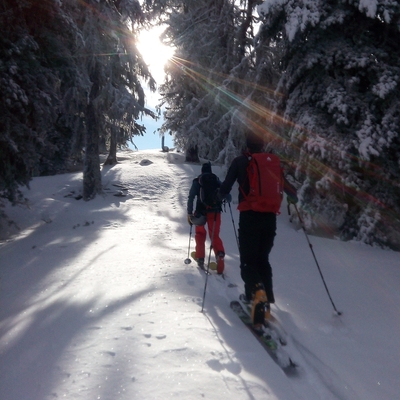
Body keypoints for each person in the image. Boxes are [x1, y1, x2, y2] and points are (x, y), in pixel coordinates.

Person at [218, 133, 298, 326]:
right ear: (262, 145)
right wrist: (293, 199)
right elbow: (291, 191)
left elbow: (226, 187)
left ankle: (256, 293)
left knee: (247, 261)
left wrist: (218, 198)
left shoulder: (239, 162)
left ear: (247, 145)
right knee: (262, 259)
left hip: (250, 216)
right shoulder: (272, 163)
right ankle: (265, 302)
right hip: (270, 218)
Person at [187, 162, 226, 274]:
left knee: (200, 234)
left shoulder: (197, 181)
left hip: (200, 212)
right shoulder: (216, 180)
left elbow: (191, 197)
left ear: (202, 171)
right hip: (215, 212)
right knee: (214, 235)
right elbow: (226, 194)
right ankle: (220, 256)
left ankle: (200, 257)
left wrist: (189, 213)